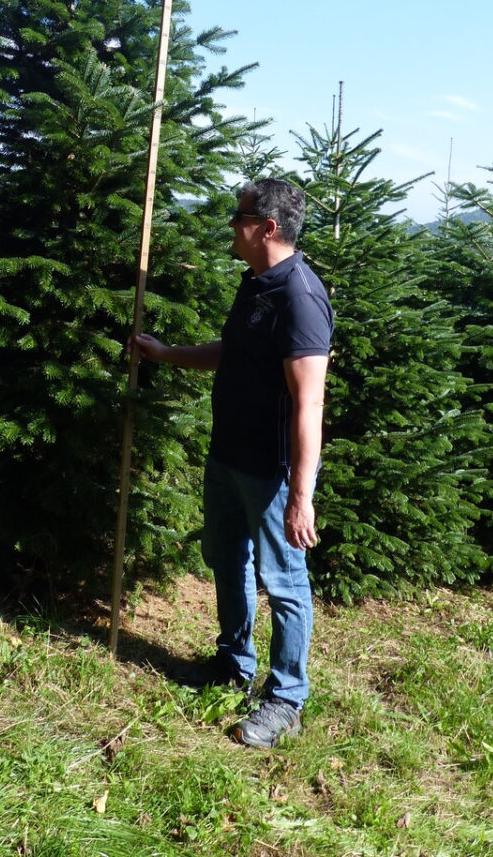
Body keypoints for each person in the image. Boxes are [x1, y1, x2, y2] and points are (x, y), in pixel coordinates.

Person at [133, 178, 333, 748]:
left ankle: (287, 697)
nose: (231, 224)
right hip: (227, 456)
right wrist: (167, 354)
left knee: (284, 582)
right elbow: (233, 353)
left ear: (267, 228)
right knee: (227, 559)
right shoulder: (255, 284)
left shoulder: (300, 297)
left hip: (270, 472)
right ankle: (233, 663)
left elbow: (308, 401)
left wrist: (301, 493)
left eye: (238, 216)